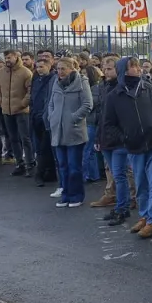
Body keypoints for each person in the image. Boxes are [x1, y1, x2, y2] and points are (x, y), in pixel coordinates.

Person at [104, 56, 152, 235]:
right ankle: (145, 216)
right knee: (141, 184)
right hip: (134, 146)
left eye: (138, 66)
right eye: (133, 67)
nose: (138, 69)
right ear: (124, 70)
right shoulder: (114, 95)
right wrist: (125, 138)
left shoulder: (149, 89)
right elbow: (109, 124)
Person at [47, 57, 93, 208]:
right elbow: (51, 103)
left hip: (74, 131)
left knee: (74, 167)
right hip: (58, 131)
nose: (60, 72)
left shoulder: (81, 82)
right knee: (63, 166)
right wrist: (52, 117)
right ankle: (65, 195)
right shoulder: (56, 82)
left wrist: (74, 118)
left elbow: (87, 104)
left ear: (71, 69)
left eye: (63, 69)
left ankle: (76, 196)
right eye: (58, 69)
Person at [0, 49, 35, 177]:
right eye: (6, 58)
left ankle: (30, 164)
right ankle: (19, 163)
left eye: (9, 57)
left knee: (25, 138)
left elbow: (30, 91)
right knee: (13, 138)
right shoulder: (0, 73)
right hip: (6, 110)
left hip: (22, 111)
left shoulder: (26, 73)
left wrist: (23, 104)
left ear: (17, 57)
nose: (7, 60)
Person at [91, 56, 122, 215]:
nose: (105, 71)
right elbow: (101, 113)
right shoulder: (103, 86)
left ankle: (130, 197)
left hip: (118, 134)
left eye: (109, 68)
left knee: (123, 170)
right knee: (109, 168)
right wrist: (98, 136)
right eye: (104, 67)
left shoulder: (121, 87)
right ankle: (110, 194)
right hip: (104, 131)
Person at [29, 54, 58, 186]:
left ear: (49, 66)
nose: (39, 69)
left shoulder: (53, 79)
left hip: (46, 116)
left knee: (44, 147)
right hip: (36, 115)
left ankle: (39, 174)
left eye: (42, 67)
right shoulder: (36, 79)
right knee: (40, 146)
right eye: (37, 67)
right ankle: (50, 173)